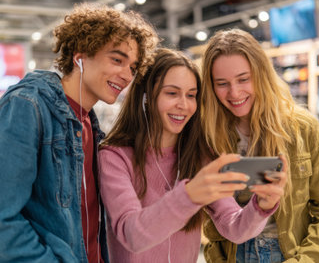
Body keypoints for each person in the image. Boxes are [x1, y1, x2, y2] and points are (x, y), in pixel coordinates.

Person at [0, 2, 158, 263]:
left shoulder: (89, 125)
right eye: (117, 59)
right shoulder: (28, 106)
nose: (127, 75)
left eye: (133, 67)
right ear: (80, 57)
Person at [98, 48, 288, 263]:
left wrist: (260, 206)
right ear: (146, 96)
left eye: (191, 95)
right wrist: (189, 195)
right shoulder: (114, 157)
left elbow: (234, 228)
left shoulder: (198, 155)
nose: (184, 105)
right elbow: (132, 235)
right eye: (171, 93)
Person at [200, 28, 319, 263]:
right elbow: (213, 214)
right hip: (233, 255)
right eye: (222, 83)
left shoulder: (301, 127)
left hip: (289, 254)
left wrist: (308, 259)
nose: (234, 92)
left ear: (261, 74)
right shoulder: (208, 135)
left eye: (243, 79)